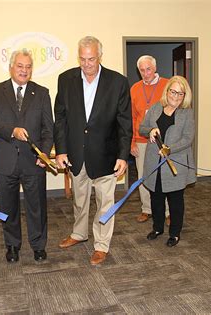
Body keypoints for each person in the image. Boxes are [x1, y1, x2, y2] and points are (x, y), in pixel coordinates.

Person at [54, 36, 132, 265]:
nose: (87, 63)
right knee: (80, 199)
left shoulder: (117, 82)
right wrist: (61, 150)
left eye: (91, 58)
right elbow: (61, 118)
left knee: (105, 202)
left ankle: (101, 245)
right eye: (83, 58)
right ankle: (79, 233)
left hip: (106, 154)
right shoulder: (66, 79)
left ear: (100, 56)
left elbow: (125, 121)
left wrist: (123, 155)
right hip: (76, 153)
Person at [0, 49, 53, 263]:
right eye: (20, 66)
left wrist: (44, 154)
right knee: (8, 207)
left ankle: (38, 245)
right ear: (11, 67)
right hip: (5, 161)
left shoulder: (41, 93)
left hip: (33, 161)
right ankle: (12, 246)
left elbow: (48, 129)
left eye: (28, 67)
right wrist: (12, 130)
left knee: (37, 207)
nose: (24, 70)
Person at [140, 75, 195, 247]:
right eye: (173, 92)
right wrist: (150, 130)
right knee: (156, 197)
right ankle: (157, 228)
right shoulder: (156, 107)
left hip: (175, 163)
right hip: (154, 162)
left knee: (175, 200)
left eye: (181, 93)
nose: (176, 96)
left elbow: (188, 138)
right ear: (167, 91)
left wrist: (169, 149)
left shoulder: (187, 113)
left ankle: (175, 233)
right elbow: (142, 128)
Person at [130, 55, 170, 224]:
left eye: (148, 69)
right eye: (142, 70)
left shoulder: (167, 85)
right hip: (141, 139)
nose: (145, 73)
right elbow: (131, 117)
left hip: (161, 139)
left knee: (164, 175)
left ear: (155, 68)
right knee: (143, 176)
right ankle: (146, 209)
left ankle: (167, 211)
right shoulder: (135, 88)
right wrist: (132, 141)